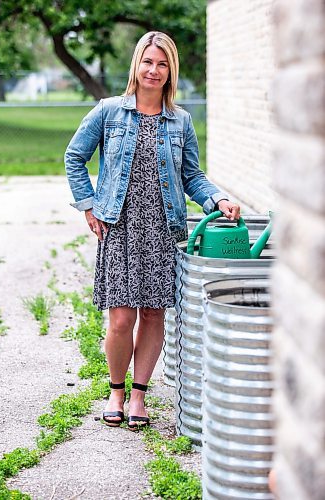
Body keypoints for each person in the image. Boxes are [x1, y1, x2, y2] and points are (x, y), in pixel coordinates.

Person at [65, 31, 240, 430]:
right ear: (137, 65)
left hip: (163, 229)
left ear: (170, 71)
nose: (154, 70)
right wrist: (88, 205)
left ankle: (140, 396)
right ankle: (116, 391)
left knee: (153, 316)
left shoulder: (180, 121)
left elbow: (192, 175)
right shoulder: (109, 111)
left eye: (162, 64)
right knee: (121, 319)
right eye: (148, 62)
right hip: (121, 227)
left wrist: (217, 200)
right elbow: (74, 156)